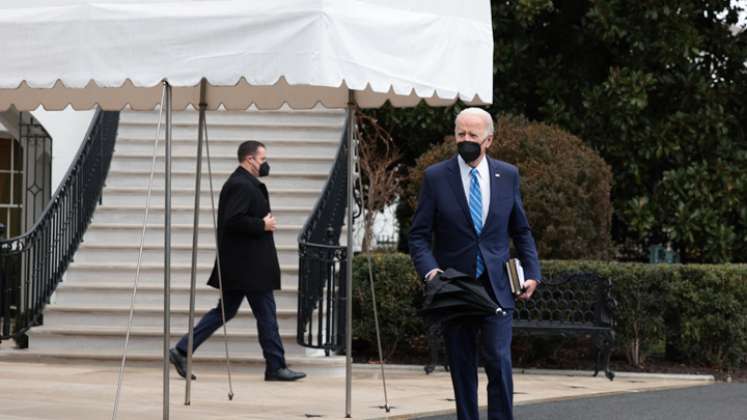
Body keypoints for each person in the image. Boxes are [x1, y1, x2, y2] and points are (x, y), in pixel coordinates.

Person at [409, 108, 541, 419]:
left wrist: (533, 272)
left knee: (499, 361)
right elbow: (418, 236)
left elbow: (520, 230)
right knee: (462, 366)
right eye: (460, 134)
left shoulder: (507, 175)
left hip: (497, 286)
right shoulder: (436, 177)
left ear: (489, 140)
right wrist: (431, 273)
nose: (465, 140)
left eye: (473, 135)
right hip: (456, 287)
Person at [169, 140, 305, 382]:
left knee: (225, 311)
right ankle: (276, 366)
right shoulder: (241, 185)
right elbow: (233, 220)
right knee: (266, 315)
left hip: (243, 265)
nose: (265, 164)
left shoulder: (243, 183)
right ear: (250, 159)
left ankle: (181, 349)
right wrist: (262, 224)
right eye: (262, 159)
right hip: (249, 266)